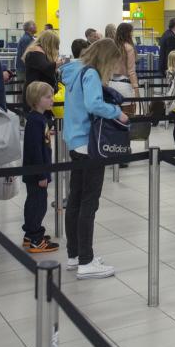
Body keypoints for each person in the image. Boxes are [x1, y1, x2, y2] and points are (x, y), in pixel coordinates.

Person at [62, 39, 127, 279]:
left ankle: (75, 254)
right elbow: (93, 104)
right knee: (89, 202)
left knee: (76, 200)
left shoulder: (74, 71)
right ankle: (86, 261)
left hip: (74, 141)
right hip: (88, 144)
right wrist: (117, 113)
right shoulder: (90, 74)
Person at [22, 81, 60, 252]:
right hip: (37, 173)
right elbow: (35, 150)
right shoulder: (35, 121)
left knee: (35, 202)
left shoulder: (39, 119)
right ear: (37, 100)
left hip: (39, 171)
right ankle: (36, 238)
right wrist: (41, 174)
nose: (52, 99)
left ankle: (31, 235)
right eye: (48, 97)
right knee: (37, 205)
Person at [112, 23, 139, 115]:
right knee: (128, 117)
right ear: (127, 33)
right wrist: (136, 88)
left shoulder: (111, 46)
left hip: (110, 84)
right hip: (124, 85)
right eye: (131, 32)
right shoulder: (129, 48)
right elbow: (131, 71)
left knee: (112, 120)